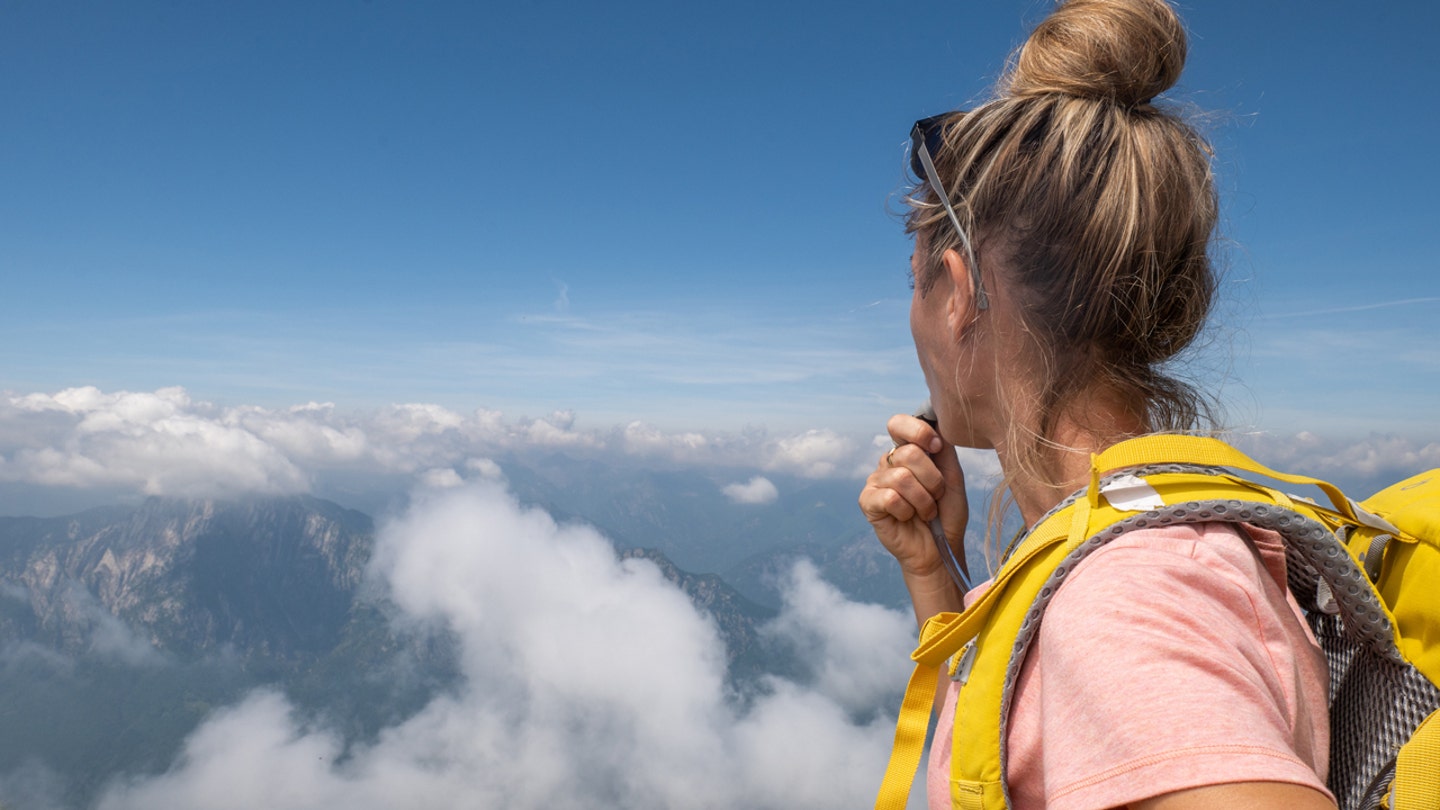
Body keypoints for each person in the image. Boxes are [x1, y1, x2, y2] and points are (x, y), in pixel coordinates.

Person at [856, 1, 1337, 808]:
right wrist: (937, 574)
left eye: (915, 284)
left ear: (961, 295)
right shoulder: (1155, 535)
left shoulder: (1129, 597)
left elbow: (1124, 663)